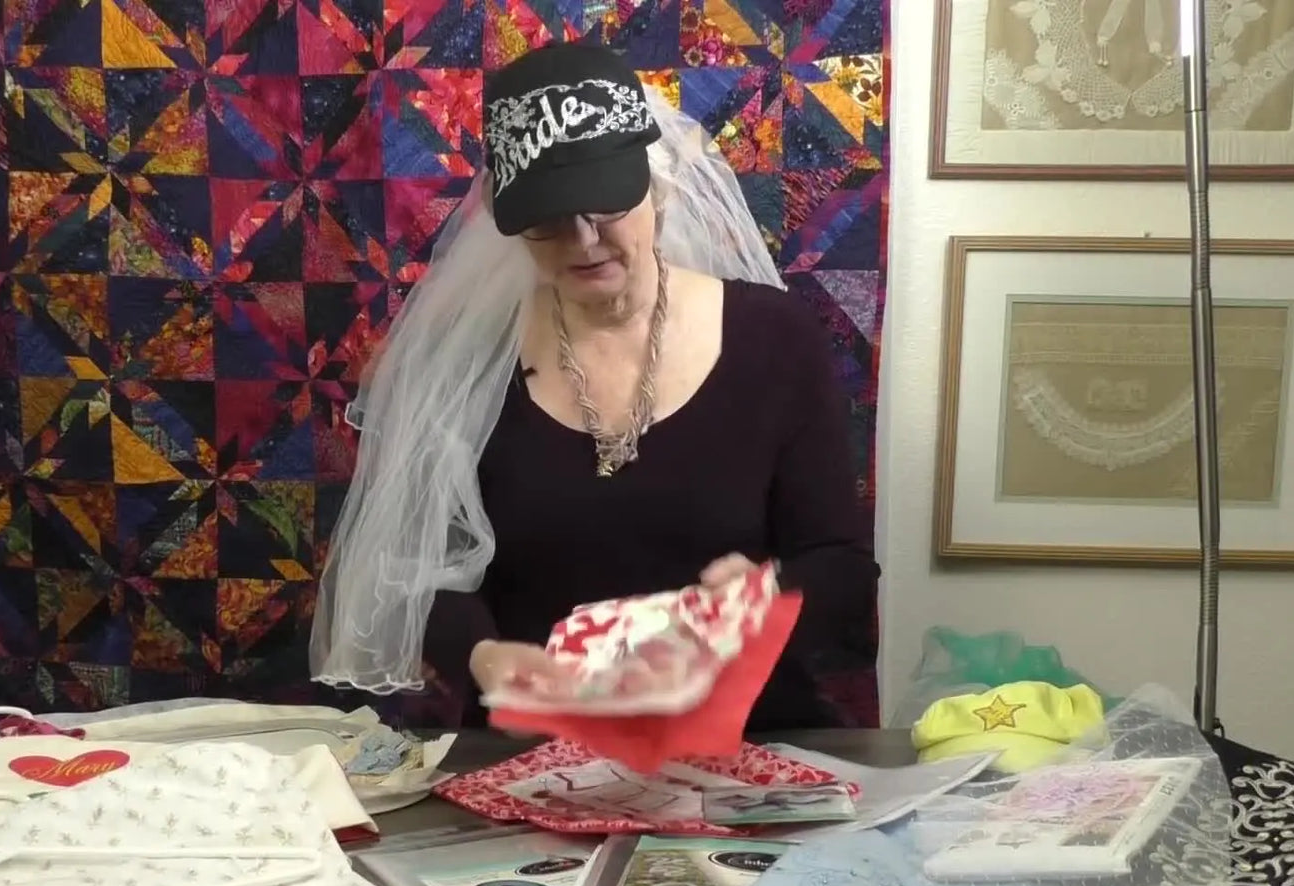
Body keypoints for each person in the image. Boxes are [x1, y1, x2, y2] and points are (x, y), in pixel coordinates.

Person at [311, 40, 880, 729]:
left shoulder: (775, 340)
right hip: (538, 742)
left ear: (659, 188)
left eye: (606, 209)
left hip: (746, 736)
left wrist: (764, 598)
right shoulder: (466, 360)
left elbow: (844, 571)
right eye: (548, 224)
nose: (583, 242)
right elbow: (412, 572)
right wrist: (485, 657)